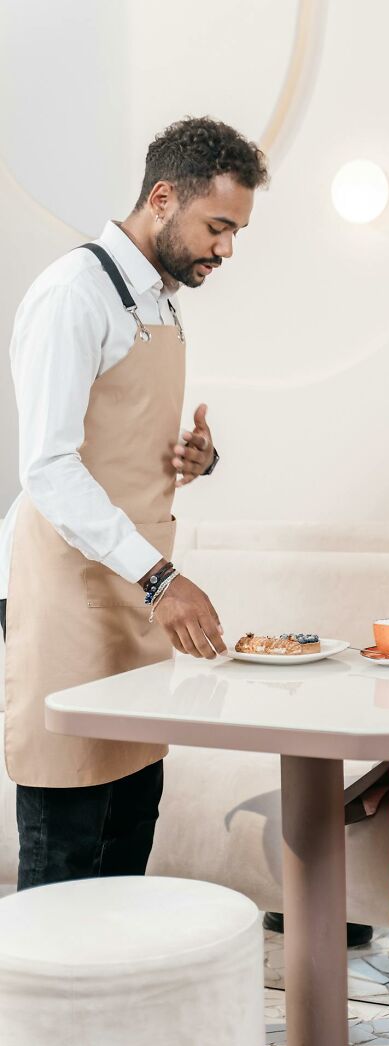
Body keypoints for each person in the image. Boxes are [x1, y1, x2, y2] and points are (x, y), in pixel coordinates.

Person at [0, 116, 268, 890]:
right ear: (161, 198)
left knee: (130, 827)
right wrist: (159, 579)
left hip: (131, 593)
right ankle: (47, 1015)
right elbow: (49, 467)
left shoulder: (158, 302)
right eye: (218, 226)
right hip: (69, 593)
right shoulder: (73, 294)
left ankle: (120, 1011)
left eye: (236, 232)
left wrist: (195, 460)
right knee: (70, 844)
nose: (226, 249)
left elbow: (109, 442)